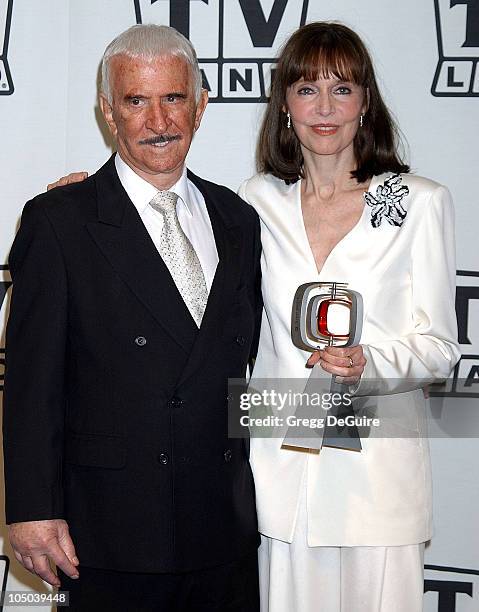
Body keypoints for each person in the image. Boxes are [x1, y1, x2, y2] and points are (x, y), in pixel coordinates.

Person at [3, 24, 261, 611]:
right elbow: (31, 383)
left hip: (223, 526)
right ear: (107, 111)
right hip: (109, 531)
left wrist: (359, 410)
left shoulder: (238, 219)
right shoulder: (60, 221)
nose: (157, 121)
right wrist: (32, 510)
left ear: (199, 106)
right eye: (135, 101)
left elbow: (249, 362)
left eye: (172, 98)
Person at [237, 22, 460, 612]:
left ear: (367, 103)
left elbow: (439, 345)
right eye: (307, 89)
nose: (325, 107)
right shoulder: (258, 203)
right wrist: (84, 199)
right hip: (284, 476)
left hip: (377, 484)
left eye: (343, 88)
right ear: (285, 104)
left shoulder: (413, 201)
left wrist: (370, 361)